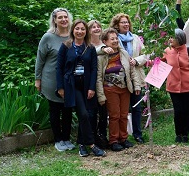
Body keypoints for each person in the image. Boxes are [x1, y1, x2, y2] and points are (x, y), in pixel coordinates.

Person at [56, 19, 105, 157]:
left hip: (87, 85)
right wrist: (60, 87)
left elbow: (94, 69)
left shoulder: (89, 48)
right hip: (72, 86)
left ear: (86, 31)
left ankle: (82, 144)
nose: (80, 31)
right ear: (73, 30)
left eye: (82, 29)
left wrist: (92, 87)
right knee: (83, 114)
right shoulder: (66, 46)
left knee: (89, 115)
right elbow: (59, 67)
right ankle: (92, 144)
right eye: (77, 28)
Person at [35, 7, 75, 152]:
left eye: (66, 17)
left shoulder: (73, 36)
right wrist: (37, 79)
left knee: (68, 110)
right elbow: (40, 59)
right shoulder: (48, 37)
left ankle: (66, 138)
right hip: (51, 79)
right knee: (55, 109)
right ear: (55, 20)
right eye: (60, 17)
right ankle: (58, 140)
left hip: (69, 80)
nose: (64, 19)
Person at [96, 28, 142, 151]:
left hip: (125, 88)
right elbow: (98, 78)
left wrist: (137, 85)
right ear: (105, 41)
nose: (115, 41)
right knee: (114, 115)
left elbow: (132, 72)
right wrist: (101, 95)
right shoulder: (101, 57)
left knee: (124, 114)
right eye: (112, 39)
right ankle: (113, 140)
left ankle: (123, 138)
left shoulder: (124, 54)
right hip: (110, 90)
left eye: (116, 38)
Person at [109, 13, 147, 144]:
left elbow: (145, 55)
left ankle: (138, 134)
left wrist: (136, 61)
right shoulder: (113, 39)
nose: (126, 24)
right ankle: (121, 136)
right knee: (121, 110)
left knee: (136, 107)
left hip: (136, 76)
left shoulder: (135, 38)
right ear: (117, 25)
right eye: (122, 23)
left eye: (127, 22)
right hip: (121, 79)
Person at [158, 29, 189, 142]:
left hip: (188, 85)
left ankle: (185, 134)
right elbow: (158, 62)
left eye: (173, 38)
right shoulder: (167, 50)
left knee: (186, 110)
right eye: (170, 37)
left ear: (180, 39)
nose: (170, 40)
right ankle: (178, 133)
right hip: (173, 86)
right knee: (178, 110)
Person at [88, 20, 110, 148]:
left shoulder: (105, 42)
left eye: (98, 27)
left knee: (103, 113)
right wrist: (102, 49)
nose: (96, 29)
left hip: (106, 83)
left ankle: (103, 136)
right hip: (91, 83)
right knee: (91, 113)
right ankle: (92, 137)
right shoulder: (87, 45)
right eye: (93, 27)